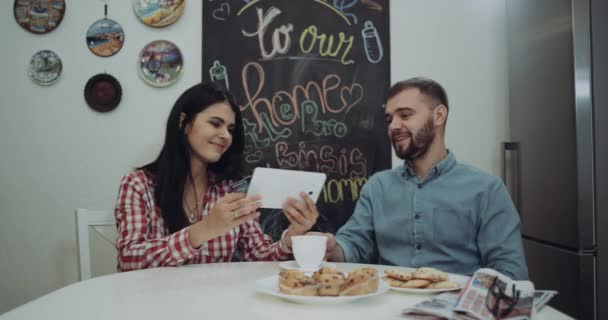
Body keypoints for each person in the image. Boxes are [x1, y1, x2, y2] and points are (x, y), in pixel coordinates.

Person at [319, 77, 529, 280]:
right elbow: (355, 245)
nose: (393, 126)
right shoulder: (377, 186)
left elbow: (509, 272)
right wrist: (332, 248)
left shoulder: (486, 189)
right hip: (388, 306)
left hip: (456, 309)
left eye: (405, 115)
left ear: (439, 116)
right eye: (389, 119)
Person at [114, 83, 319, 271]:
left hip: (216, 303)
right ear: (184, 122)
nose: (226, 136)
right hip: (155, 303)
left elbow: (258, 256)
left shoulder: (229, 189)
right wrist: (204, 230)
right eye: (215, 123)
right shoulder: (138, 184)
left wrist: (292, 236)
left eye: (230, 129)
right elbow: (129, 259)